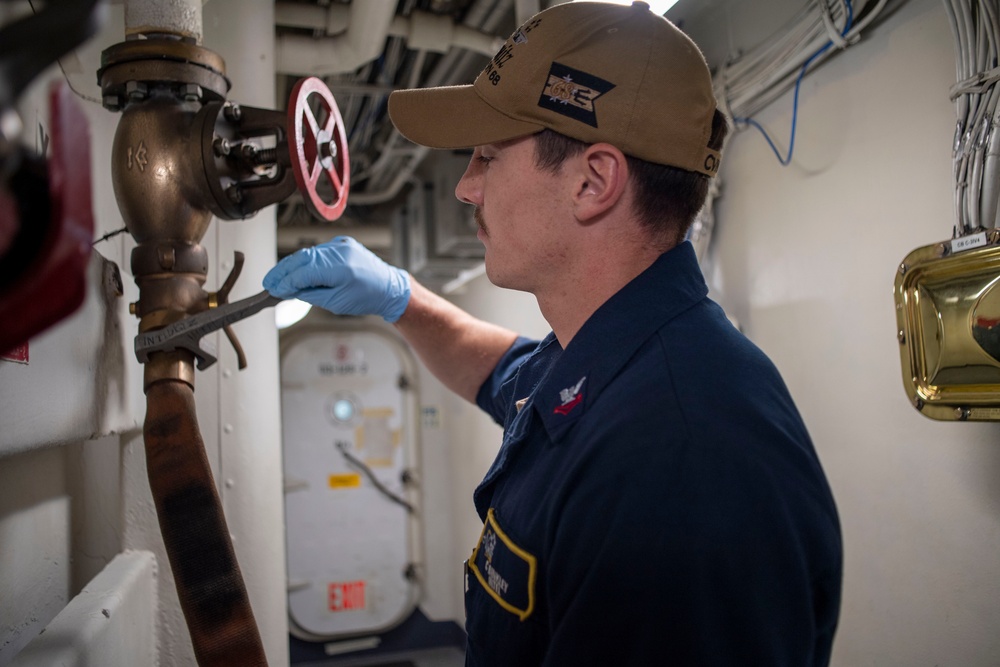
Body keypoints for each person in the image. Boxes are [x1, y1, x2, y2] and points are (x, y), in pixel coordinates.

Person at [264, 2, 843, 665]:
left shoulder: (679, 466)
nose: (465, 187)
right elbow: (498, 369)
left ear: (592, 183)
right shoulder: (608, 361)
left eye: (486, 156)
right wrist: (400, 297)